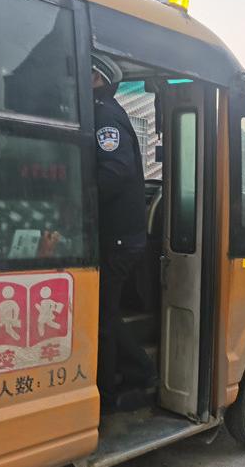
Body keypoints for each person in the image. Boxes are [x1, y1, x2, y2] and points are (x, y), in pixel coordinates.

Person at [92, 53, 156, 411]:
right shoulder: (102, 111)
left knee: (102, 316)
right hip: (119, 235)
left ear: (97, 78)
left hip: (119, 239)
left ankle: (107, 394)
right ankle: (137, 371)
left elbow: (115, 171)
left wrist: (78, 201)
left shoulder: (105, 115)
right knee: (106, 313)